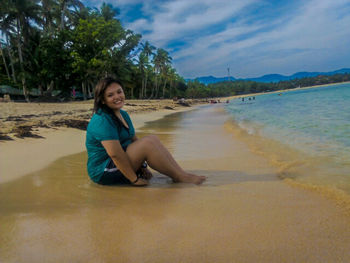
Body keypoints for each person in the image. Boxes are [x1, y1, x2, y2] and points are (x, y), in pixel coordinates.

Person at [85, 77, 207, 186]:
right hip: (103, 171)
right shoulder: (102, 120)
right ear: (102, 100)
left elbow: (133, 140)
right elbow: (115, 154)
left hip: (120, 161)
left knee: (152, 139)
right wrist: (134, 179)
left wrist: (142, 167)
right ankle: (179, 176)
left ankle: (180, 174)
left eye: (119, 92)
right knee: (147, 144)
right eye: (110, 95)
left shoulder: (123, 114)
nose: (117, 97)